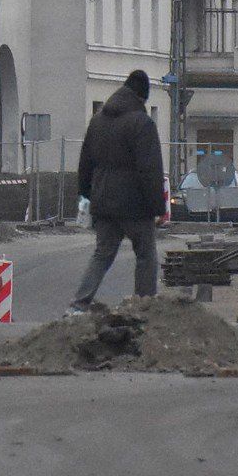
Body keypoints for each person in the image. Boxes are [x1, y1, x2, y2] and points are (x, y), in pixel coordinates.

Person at [68, 69, 166, 315]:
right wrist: (158, 207)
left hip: (104, 203)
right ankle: (143, 307)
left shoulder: (98, 120)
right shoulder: (142, 124)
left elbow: (85, 164)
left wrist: (87, 196)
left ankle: (79, 304)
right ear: (142, 97)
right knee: (145, 255)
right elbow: (150, 170)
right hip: (135, 206)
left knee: (102, 254)